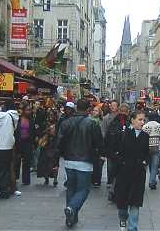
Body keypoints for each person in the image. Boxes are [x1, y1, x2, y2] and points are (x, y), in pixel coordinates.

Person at [58, 98, 105, 228]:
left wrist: (62, 155)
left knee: (71, 188)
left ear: (76, 107)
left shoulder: (66, 123)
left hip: (69, 160)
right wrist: (101, 153)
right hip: (85, 161)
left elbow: (59, 142)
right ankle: (72, 208)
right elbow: (99, 143)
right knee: (83, 189)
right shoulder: (92, 124)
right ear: (88, 109)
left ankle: (71, 218)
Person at [115, 110, 149, 231]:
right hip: (124, 172)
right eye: (140, 119)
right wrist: (121, 163)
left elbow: (147, 153)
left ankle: (133, 227)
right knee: (123, 202)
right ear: (132, 120)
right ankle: (123, 218)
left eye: (143, 120)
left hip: (138, 173)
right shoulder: (123, 134)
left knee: (135, 202)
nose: (142, 122)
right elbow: (116, 151)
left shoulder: (145, 136)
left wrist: (145, 161)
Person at [105, 103, 130, 202]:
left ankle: (113, 190)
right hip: (125, 153)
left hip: (114, 152)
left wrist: (108, 151)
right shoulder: (129, 122)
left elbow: (107, 137)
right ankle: (119, 192)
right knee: (123, 173)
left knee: (114, 173)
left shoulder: (113, 122)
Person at [15, 103, 36, 185]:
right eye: (27, 110)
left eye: (30, 110)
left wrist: (33, 143)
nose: (29, 111)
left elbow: (33, 132)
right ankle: (15, 177)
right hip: (18, 142)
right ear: (23, 111)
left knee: (26, 162)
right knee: (17, 161)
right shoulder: (18, 119)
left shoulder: (31, 120)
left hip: (27, 143)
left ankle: (26, 180)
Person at [142, 114, 160, 190]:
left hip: (147, 148)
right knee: (154, 165)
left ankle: (142, 182)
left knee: (146, 165)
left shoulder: (145, 126)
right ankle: (152, 182)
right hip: (157, 148)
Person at [101, 100, 119, 187]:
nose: (112, 107)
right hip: (109, 143)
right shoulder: (106, 118)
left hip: (119, 144)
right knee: (110, 163)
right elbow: (103, 131)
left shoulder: (121, 118)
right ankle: (110, 180)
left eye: (114, 105)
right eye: (111, 105)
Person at [90, 105, 104, 187]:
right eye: (94, 110)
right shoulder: (88, 120)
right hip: (90, 144)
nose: (94, 112)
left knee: (98, 164)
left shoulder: (100, 121)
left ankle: (96, 179)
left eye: (96, 111)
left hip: (98, 145)